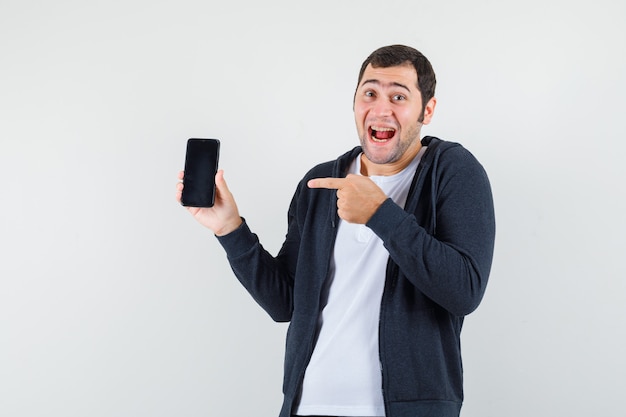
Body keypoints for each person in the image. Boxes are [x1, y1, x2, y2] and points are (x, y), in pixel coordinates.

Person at [176, 44, 496, 417]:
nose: (381, 108)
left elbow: (464, 291)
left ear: (428, 109)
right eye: (370, 93)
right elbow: (286, 304)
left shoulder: (453, 170)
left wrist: (379, 212)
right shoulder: (320, 182)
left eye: (398, 96)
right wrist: (230, 228)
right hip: (310, 405)